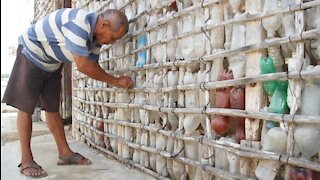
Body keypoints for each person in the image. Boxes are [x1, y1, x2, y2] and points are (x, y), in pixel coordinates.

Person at [2, 8, 133, 178]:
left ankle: (65, 153)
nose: (112, 42)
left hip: (52, 63)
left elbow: (92, 65)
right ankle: (26, 160)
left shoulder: (96, 40)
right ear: (104, 24)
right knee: (25, 107)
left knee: (52, 108)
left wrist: (114, 80)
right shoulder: (78, 23)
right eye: (114, 37)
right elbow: (84, 65)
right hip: (31, 54)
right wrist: (116, 81)